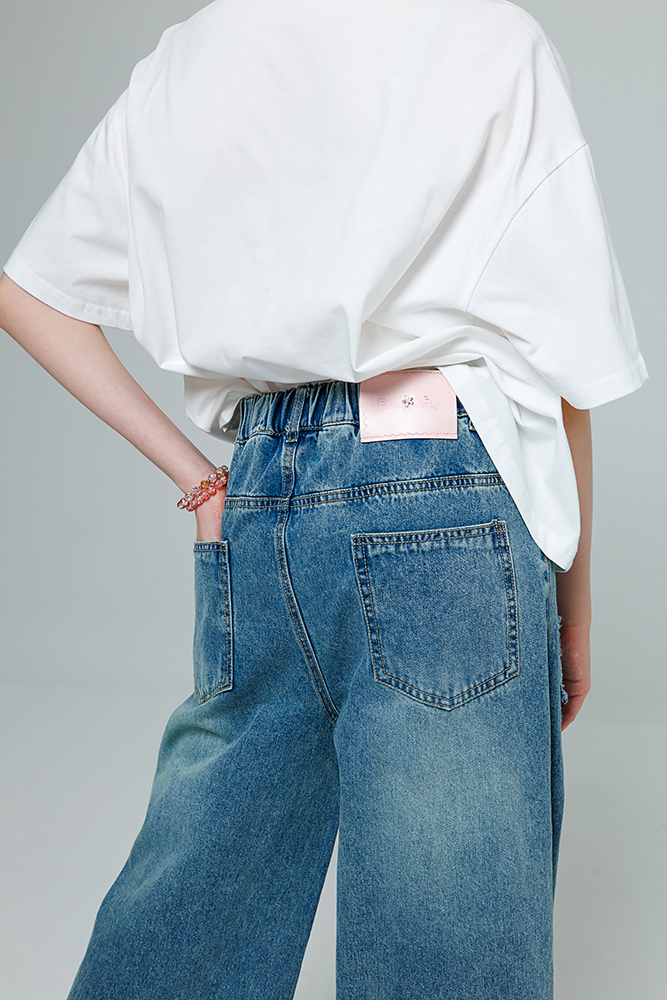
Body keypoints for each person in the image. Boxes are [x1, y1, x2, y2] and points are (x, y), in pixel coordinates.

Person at [0, 1, 648, 998]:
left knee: (198, 904)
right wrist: (575, 600)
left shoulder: (188, 55)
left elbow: (28, 292)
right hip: (444, 503)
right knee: (445, 950)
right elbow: (560, 354)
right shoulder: (489, 35)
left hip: (261, 497)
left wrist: (200, 478)